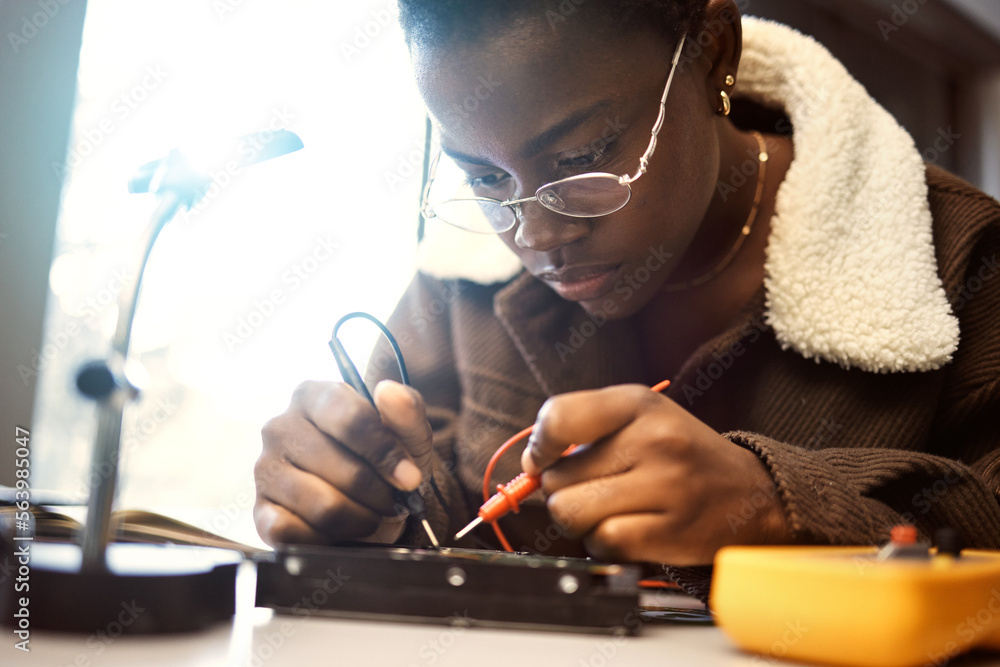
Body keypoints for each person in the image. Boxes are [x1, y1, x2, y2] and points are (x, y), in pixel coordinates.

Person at [253, 0, 1000, 600]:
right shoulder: (459, 276)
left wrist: (780, 505)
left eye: (580, 160)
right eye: (483, 179)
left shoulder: (961, 259)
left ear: (713, 54)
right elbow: (434, 524)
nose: (536, 234)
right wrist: (353, 503)